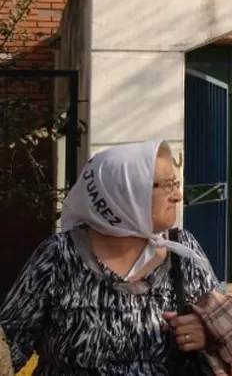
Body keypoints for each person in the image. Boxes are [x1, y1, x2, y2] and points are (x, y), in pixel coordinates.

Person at [0, 140, 220, 375]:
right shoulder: (58, 257)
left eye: (175, 183)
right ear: (125, 191)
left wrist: (207, 334)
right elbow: (10, 343)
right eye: (166, 185)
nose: (178, 195)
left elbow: (228, 330)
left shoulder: (182, 251)